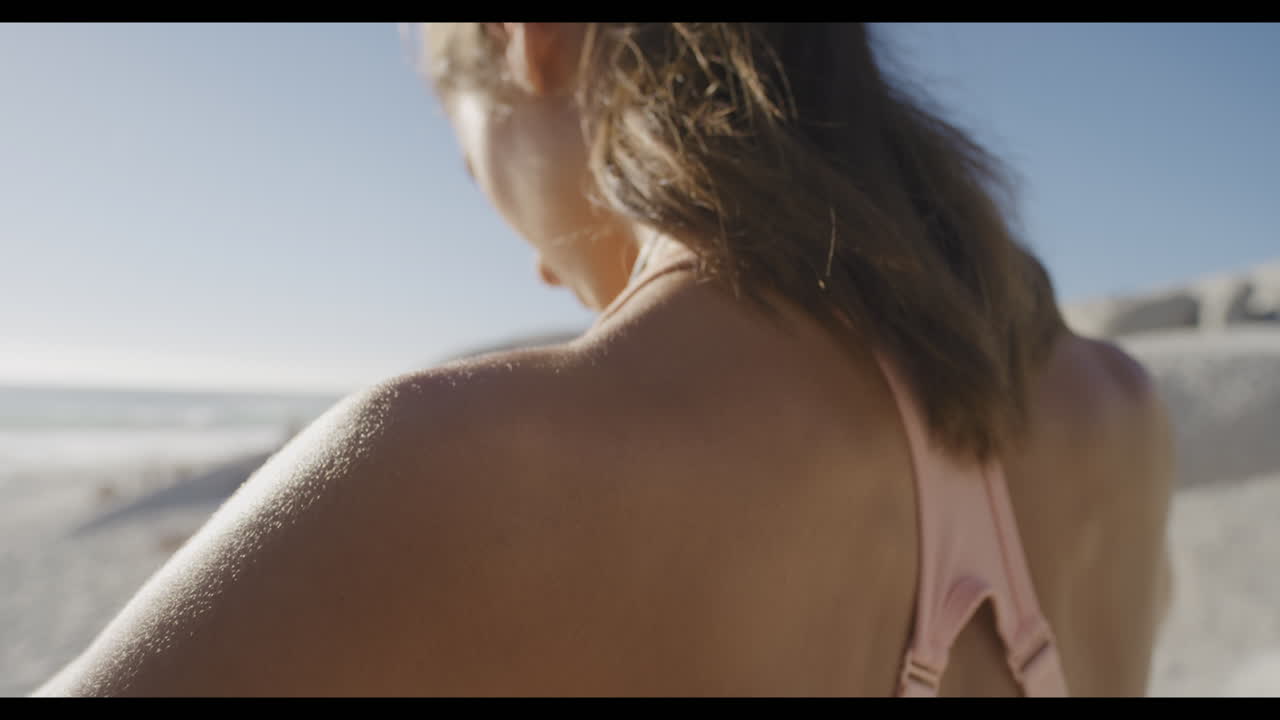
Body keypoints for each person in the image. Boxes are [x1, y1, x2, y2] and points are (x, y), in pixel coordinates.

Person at [34, 23, 1174, 697]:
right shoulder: (1122, 413)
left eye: (466, 164)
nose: (537, 270)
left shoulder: (460, 472)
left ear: (528, 41)